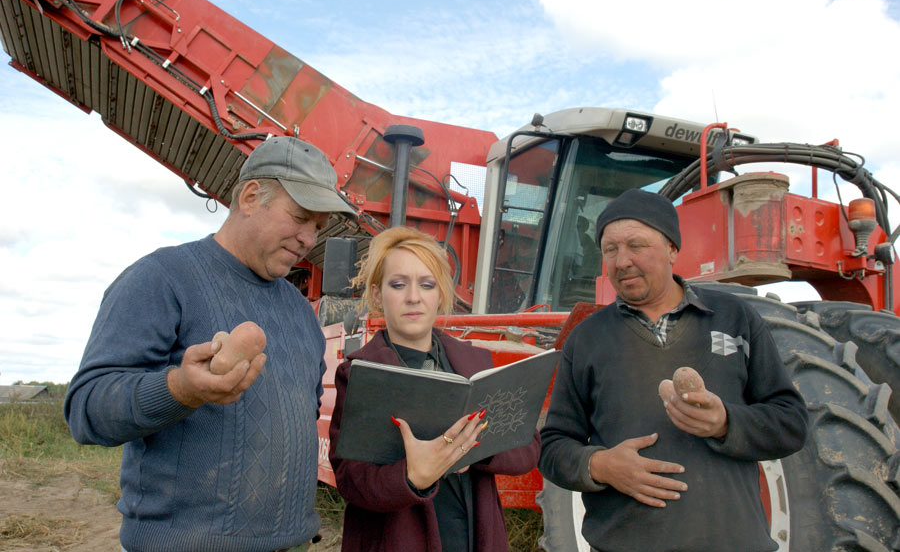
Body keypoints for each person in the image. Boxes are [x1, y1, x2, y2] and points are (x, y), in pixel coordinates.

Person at [64, 136, 357, 552]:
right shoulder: (162, 278)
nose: (309, 239)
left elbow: (302, 415)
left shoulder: (298, 308)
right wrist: (180, 390)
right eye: (300, 217)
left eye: (317, 226)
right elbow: (85, 409)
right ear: (252, 197)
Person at [538, 188, 809, 552]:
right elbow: (553, 448)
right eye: (610, 250)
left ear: (672, 250)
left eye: (637, 245)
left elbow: (791, 424)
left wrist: (726, 423)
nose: (621, 262)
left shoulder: (736, 318)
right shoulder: (586, 339)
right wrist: (601, 465)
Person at [328, 226, 540, 552]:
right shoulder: (358, 373)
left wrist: (475, 447)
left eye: (427, 285)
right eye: (398, 284)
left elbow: (527, 446)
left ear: (440, 294)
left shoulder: (476, 362)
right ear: (376, 294)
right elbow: (350, 480)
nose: (414, 297)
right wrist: (412, 476)